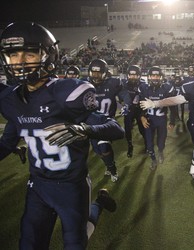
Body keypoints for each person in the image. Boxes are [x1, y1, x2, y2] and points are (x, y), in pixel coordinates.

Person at [0, 22, 124, 249]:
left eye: (29, 53)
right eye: (13, 54)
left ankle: (99, 203)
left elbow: (116, 128)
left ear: (48, 55)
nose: (19, 62)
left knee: (76, 243)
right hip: (37, 186)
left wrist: (85, 129)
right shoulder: (10, 99)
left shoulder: (67, 92)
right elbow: (7, 142)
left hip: (71, 186)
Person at [85, 58, 130, 182]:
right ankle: (109, 165)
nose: (95, 76)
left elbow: (124, 95)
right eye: (93, 73)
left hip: (107, 122)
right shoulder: (83, 85)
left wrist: (126, 104)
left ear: (105, 73)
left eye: (98, 73)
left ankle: (113, 170)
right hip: (91, 124)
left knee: (104, 146)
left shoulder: (113, 83)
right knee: (98, 151)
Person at [138, 66, 177, 170]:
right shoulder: (143, 88)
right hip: (149, 120)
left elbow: (173, 107)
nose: (155, 78)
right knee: (149, 144)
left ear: (161, 77)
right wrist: (142, 117)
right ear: (149, 77)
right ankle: (153, 160)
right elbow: (140, 106)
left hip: (161, 120)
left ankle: (160, 152)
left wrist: (172, 121)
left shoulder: (167, 88)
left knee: (161, 142)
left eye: (157, 75)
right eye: (153, 75)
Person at [121, 65, 146, 158]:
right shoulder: (124, 83)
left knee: (142, 129)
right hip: (129, 109)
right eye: (131, 75)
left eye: (135, 75)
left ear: (139, 75)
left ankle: (147, 144)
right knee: (127, 129)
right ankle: (130, 145)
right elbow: (120, 95)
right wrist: (123, 102)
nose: (133, 77)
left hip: (140, 109)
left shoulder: (143, 84)